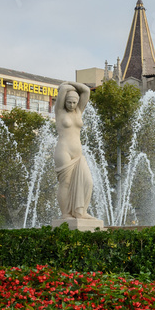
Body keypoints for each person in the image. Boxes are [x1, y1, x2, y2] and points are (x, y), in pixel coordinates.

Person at [53, 81, 96, 220]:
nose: (71, 105)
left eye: (74, 102)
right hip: (63, 151)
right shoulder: (59, 112)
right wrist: (66, 87)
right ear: (64, 101)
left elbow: (86, 91)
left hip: (78, 154)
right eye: (69, 102)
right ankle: (66, 214)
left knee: (88, 182)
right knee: (65, 183)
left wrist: (71, 84)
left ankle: (80, 212)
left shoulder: (78, 111)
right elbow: (63, 88)